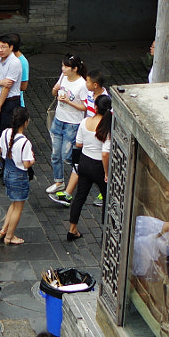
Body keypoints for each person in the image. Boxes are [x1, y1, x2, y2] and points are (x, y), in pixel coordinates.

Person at [66, 78, 112, 244]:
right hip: (99, 166)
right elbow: (106, 153)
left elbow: (78, 143)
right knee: (107, 199)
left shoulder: (85, 122)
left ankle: (72, 229)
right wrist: (107, 173)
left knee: (80, 196)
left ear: (96, 107)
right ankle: (107, 232)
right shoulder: (107, 127)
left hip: (84, 162)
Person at [48, 55, 91, 204]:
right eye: (62, 66)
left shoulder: (82, 84)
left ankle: (80, 172)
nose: (63, 69)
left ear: (75, 69)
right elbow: (55, 93)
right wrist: (55, 90)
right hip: (58, 119)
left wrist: (68, 101)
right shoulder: (63, 77)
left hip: (73, 124)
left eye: (66, 67)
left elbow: (85, 107)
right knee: (55, 154)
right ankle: (59, 181)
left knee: (66, 155)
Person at [0, 113, 34, 246]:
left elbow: (1, 149)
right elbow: (27, 164)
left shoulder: (6, 132)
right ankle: (9, 236)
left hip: (7, 171)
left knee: (14, 203)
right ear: (25, 123)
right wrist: (33, 159)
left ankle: (4, 230)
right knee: (18, 207)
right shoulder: (25, 142)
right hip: (19, 176)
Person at [0, 34, 29, 140]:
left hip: (10, 101)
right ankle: (6, 146)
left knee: (6, 130)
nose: (0, 50)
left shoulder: (15, 63)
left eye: (3, 47)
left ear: (11, 47)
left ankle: (10, 150)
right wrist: (1, 82)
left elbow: (8, 88)